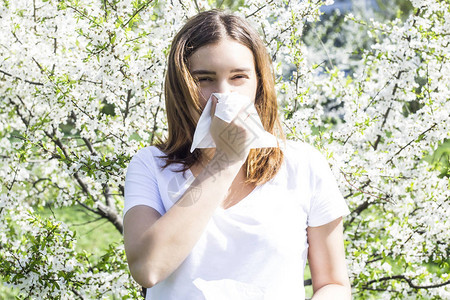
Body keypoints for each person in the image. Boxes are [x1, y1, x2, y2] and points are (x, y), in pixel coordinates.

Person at [123, 9, 351, 300]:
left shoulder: (303, 164)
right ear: (182, 87)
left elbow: (334, 284)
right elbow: (147, 268)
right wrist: (226, 159)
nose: (223, 94)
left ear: (258, 83)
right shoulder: (150, 165)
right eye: (205, 79)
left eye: (238, 77)